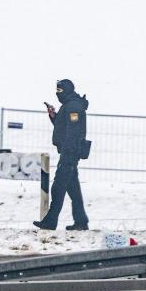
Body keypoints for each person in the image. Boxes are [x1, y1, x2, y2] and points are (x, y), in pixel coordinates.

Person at [34, 79, 90, 230]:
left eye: (59, 90)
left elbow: (73, 131)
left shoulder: (73, 107)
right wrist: (54, 116)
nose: (57, 93)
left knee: (58, 187)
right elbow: (65, 127)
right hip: (68, 152)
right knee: (73, 189)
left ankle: (50, 222)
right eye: (56, 90)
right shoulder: (68, 105)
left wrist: (67, 154)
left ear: (67, 90)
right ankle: (81, 221)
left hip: (69, 153)